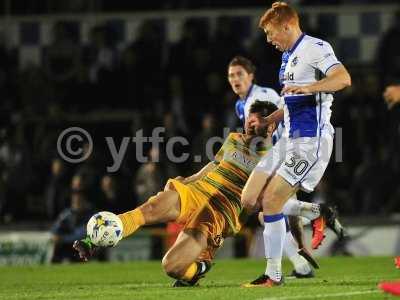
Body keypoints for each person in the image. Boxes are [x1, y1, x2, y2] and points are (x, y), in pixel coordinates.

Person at [73, 101, 329, 286]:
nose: (250, 125)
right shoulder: (234, 140)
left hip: (222, 209)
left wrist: (303, 223)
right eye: (248, 120)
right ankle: (95, 239)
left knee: (172, 267)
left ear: (271, 125)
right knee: (150, 208)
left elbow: (277, 201)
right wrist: (189, 179)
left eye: (257, 121)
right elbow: (215, 165)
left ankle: (197, 269)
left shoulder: (277, 157)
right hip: (197, 191)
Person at [240, 2, 351, 287]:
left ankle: (273, 274)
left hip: (310, 141)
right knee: (250, 200)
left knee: (272, 201)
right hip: (288, 137)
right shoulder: (288, 56)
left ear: (287, 26)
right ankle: (316, 212)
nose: (268, 39)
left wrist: (310, 88)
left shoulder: (316, 47)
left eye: (270, 32)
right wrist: (271, 119)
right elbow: (292, 99)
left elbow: (342, 78)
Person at [228, 55, 319, 274]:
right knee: (274, 211)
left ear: (251, 76)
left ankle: (315, 215)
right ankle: (303, 263)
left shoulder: (262, 95)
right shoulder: (241, 104)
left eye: (240, 74)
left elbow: (286, 115)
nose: (235, 79)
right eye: (231, 75)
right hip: (274, 155)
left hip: (283, 153)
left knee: (265, 209)